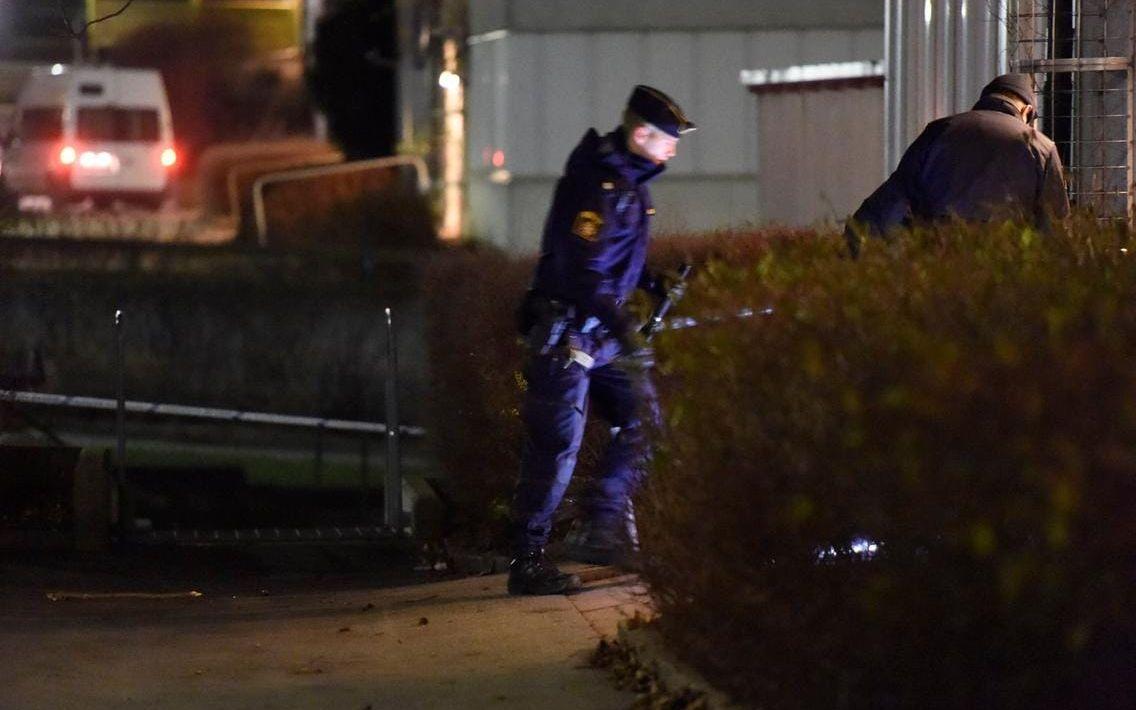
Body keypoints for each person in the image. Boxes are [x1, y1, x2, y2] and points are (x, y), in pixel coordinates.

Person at [507, 85, 696, 596]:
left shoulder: (629, 185)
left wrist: (653, 282)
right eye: (668, 140)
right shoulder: (598, 185)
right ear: (642, 135)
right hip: (566, 337)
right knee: (554, 451)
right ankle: (527, 562)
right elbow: (581, 273)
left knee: (644, 419)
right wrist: (625, 332)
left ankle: (602, 526)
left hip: (593, 336)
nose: (673, 151)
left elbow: (612, 265)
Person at [845, 73, 1070, 256]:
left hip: (941, 260)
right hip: (1004, 266)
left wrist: (853, 249)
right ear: (1027, 111)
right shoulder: (1042, 147)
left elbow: (892, 204)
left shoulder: (939, 131)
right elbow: (1053, 228)